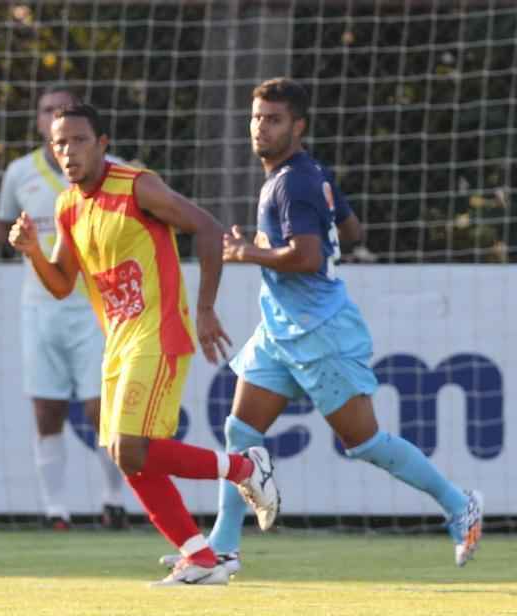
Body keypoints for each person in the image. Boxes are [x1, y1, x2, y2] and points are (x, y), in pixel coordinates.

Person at [171, 77, 483, 571]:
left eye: (273, 119)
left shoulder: (293, 181)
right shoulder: (304, 174)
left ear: (299, 125)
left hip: (321, 332)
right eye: (256, 117)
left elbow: (309, 258)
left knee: (364, 443)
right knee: (240, 431)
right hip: (281, 331)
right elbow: (353, 229)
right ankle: (222, 549)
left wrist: (249, 251)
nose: (260, 127)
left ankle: (457, 502)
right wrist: (290, 229)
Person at [9, 103, 281, 586]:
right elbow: (61, 283)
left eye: (77, 140)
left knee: (129, 449)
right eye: (59, 143)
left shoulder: (137, 186)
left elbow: (208, 227)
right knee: (125, 453)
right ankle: (198, 555)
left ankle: (244, 467)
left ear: (102, 143)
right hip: (116, 341)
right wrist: (32, 251)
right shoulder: (68, 206)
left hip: (158, 333)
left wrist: (204, 307)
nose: (67, 151)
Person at [0, 86, 129, 530]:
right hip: (40, 307)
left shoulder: (114, 173)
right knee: (47, 410)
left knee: (102, 409)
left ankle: (113, 501)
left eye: (63, 111)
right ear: (40, 122)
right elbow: (4, 227)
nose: (55, 119)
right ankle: (55, 510)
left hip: (96, 309)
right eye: (47, 112)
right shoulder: (22, 171)